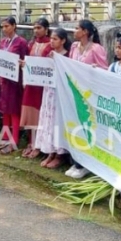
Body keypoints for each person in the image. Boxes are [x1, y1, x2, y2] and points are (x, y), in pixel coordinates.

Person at [65, 20, 107, 178]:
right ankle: (76, 161)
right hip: (75, 91)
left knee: (87, 126)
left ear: (86, 32)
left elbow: (105, 68)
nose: (74, 31)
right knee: (75, 125)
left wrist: (96, 70)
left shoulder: (97, 49)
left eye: (77, 28)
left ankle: (86, 164)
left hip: (89, 94)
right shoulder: (75, 46)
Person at [36, 27, 70, 169]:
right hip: (48, 90)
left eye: (55, 39)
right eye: (51, 39)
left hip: (59, 92)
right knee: (48, 119)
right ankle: (50, 150)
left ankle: (59, 153)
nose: (52, 41)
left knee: (57, 120)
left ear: (63, 41)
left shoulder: (67, 56)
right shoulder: (50, 54)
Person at [0, 16, 29, 153]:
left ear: (14, 26)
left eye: (7, 26)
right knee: (5, 108)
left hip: (15, 80)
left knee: (14, 108)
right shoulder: (2, 42)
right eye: (2, 27)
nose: (4, 29)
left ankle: (14, 139)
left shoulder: (21, 42)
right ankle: (5, 135)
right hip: (3, 79)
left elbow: (26, 60)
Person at [20, 18, 52, 158]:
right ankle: (31, 142)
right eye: (34, 28)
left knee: (41, 114)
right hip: (30, 84)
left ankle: (39, 145)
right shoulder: (31, 44)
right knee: (29, 112)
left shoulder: (51, 45)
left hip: (42, 86)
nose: (36, 31)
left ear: (46, 29)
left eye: (39, 28)